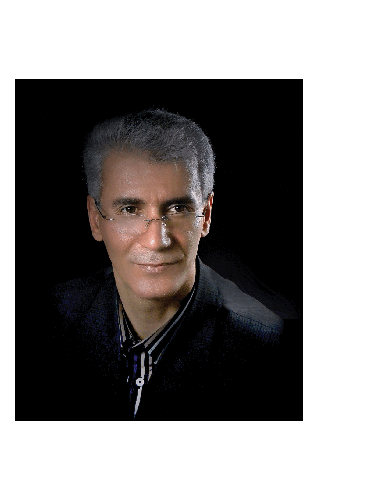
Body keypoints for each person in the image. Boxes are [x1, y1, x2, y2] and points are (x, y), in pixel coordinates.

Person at [16, 109, 301, 420]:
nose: (156, 241)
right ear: (95, 219)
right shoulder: (42, 324)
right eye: (129, 209)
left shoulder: (271, 352)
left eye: (178, 208)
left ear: (206, 216)